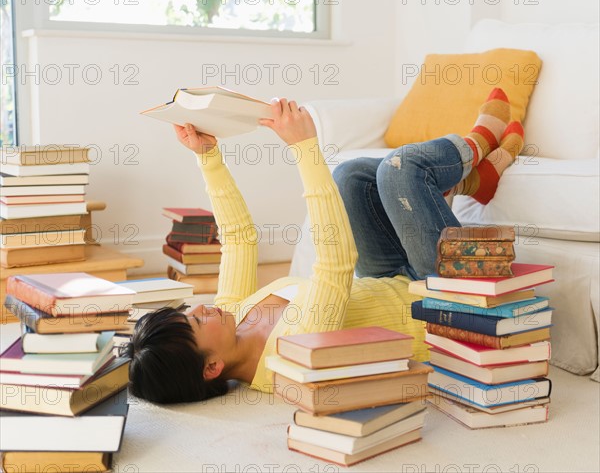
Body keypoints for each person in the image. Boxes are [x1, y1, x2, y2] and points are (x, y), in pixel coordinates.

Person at [124, 90, 524, 405]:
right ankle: (478, 144)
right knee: (401, 170)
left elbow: (240, 237)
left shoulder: (231, 316)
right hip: (445, 307)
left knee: (352, 176)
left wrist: (207, 157)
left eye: (187, 311)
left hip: (392, 278)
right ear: (212, 367)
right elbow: (335, 262)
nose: (201, 307)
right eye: (195, 322)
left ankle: (475, 181)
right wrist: (304, 148)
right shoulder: (290, 354)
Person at [332, 88, 524, 280]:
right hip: (435, 288)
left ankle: (474, 178)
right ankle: (475, 147)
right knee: (400, 166)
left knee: (349, 176)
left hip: (382, 280)